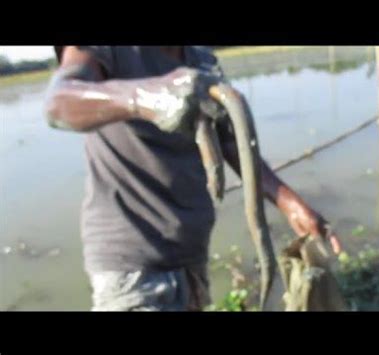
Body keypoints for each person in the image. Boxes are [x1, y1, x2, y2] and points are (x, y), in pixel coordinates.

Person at [44, 46, 341, 311]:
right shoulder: (106, 50)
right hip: (131, 263)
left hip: (190, 256)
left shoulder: (202, 61)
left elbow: (230, 143)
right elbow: (58, 102)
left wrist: (292, 205)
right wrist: (146, 96)